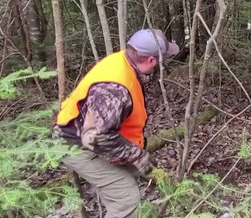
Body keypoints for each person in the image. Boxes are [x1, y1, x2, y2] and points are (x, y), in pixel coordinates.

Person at [53, 29, 179, 218]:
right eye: (161, 58)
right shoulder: (114, 89)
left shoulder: (124, 61)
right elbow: (94, 137)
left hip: (90, 134)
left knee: (129, 175)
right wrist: (137, 156)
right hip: (75, 144)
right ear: (151, 60)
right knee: (126, 197)